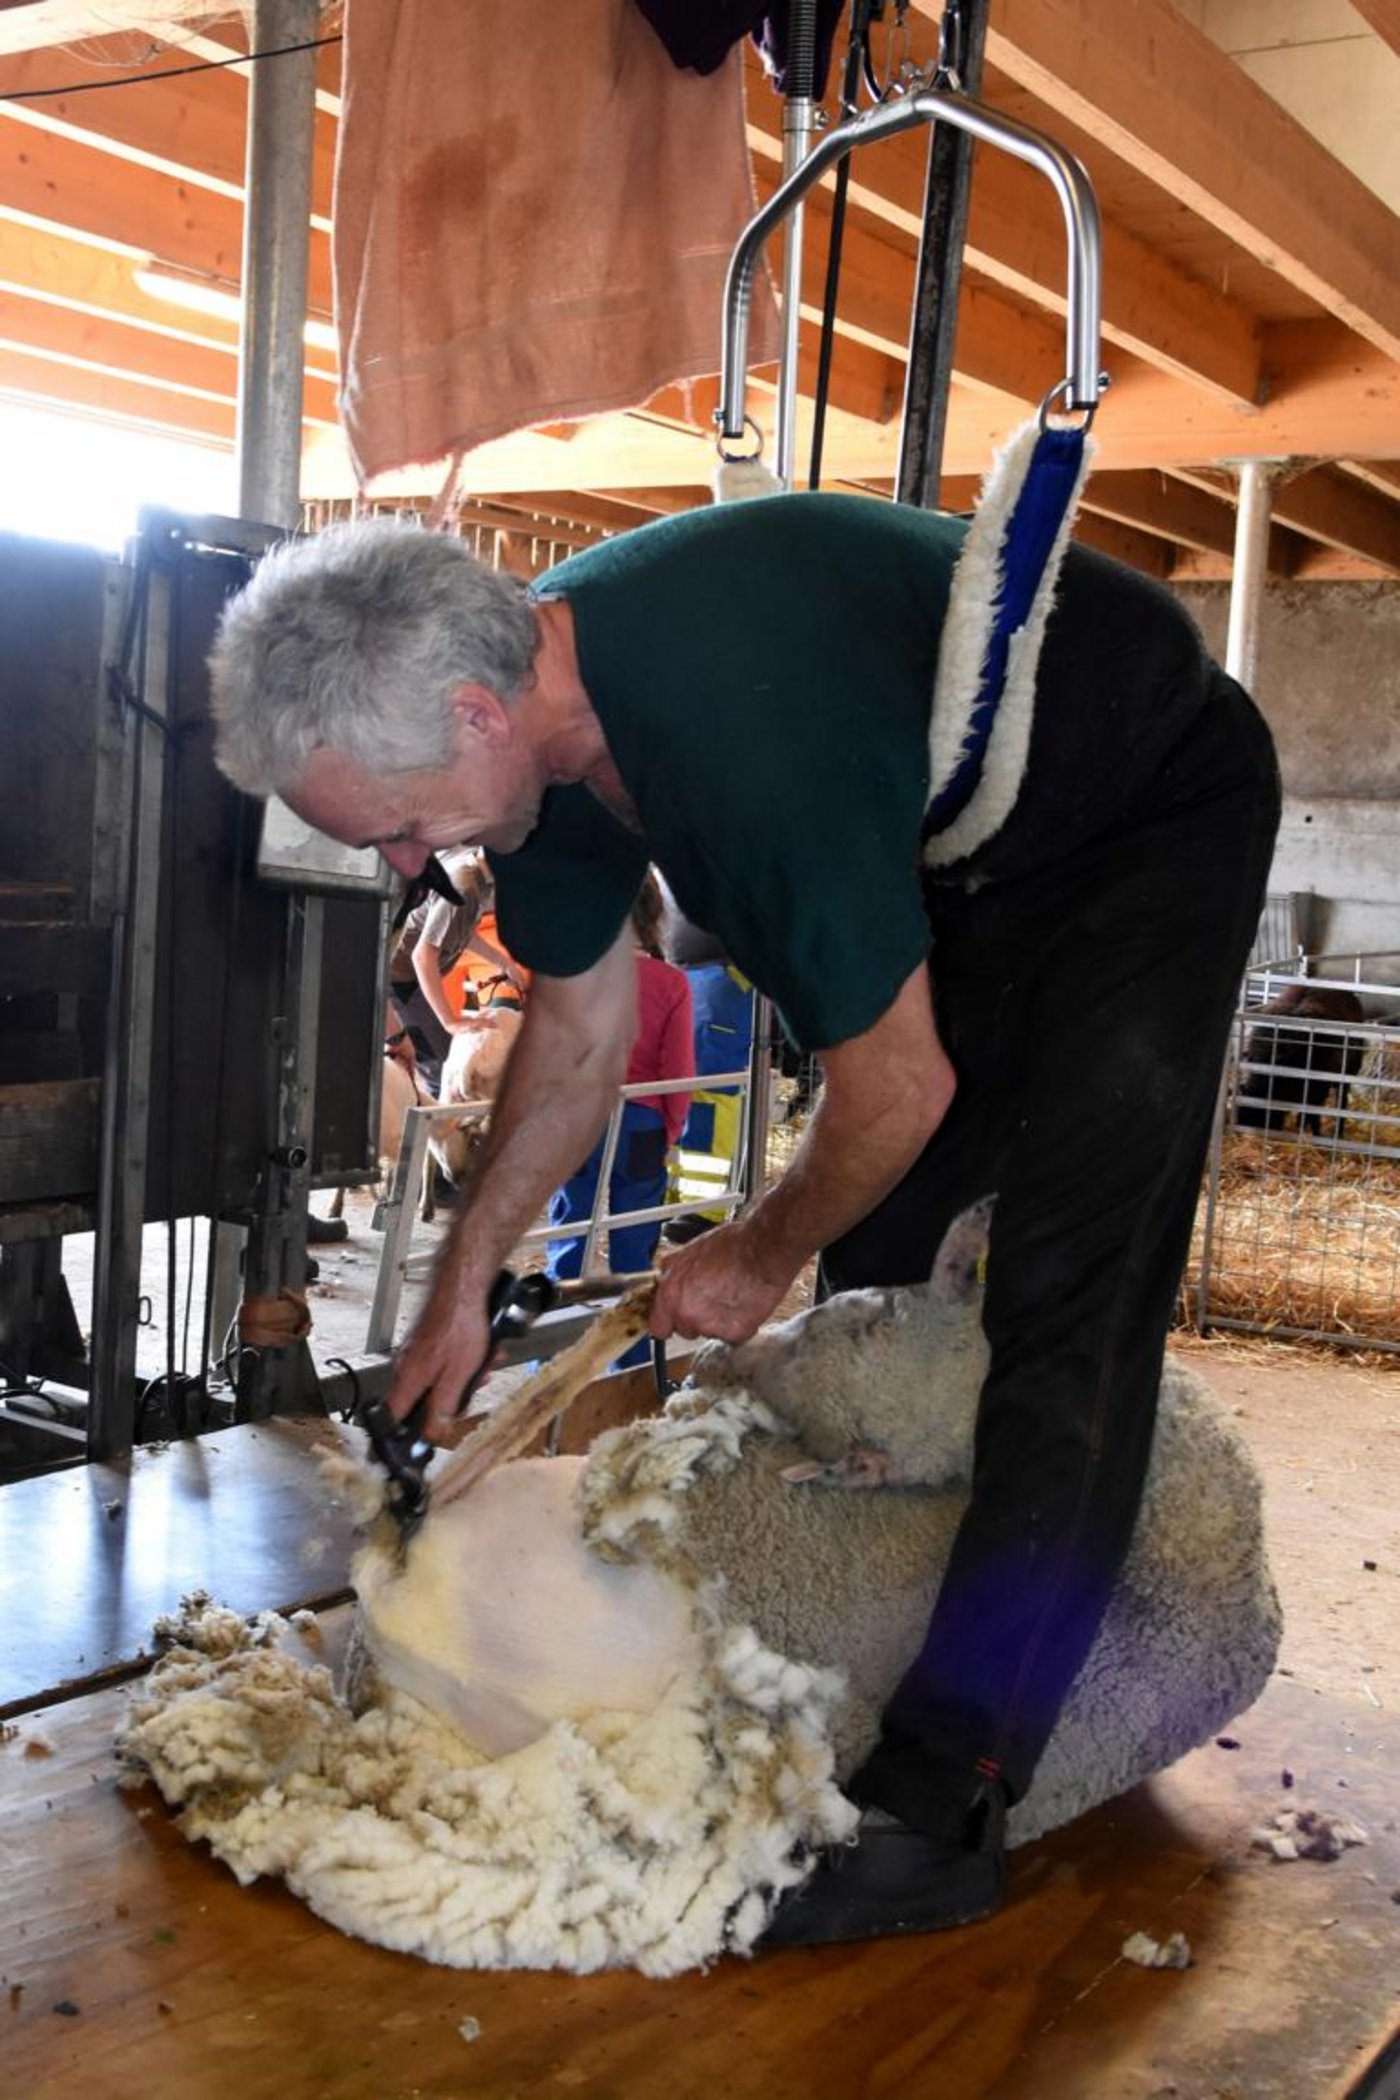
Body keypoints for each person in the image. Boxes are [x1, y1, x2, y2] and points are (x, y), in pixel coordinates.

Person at [207, 496, 1281, 1945]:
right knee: (887, 1290)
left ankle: (946, 1800)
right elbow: (578, 1041)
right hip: (968, 838)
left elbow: (892, 1088)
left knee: (1060, 1293)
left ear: (475, 714)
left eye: (399, 830)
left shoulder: (734, 735)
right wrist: (465, 1282)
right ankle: (851, 1649)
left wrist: (755, 1250)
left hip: (1145, 808)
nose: (409, 869)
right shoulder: (537, 762)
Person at [545, 871, 693, 1366]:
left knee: (570, 1231)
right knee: (634, 1239)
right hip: (641, 1121)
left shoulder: (572, 974)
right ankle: (625, 1363)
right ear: (654, 918)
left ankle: (551, 1352)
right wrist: (670, 1130)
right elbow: (678, 1070)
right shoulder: (671, 983)